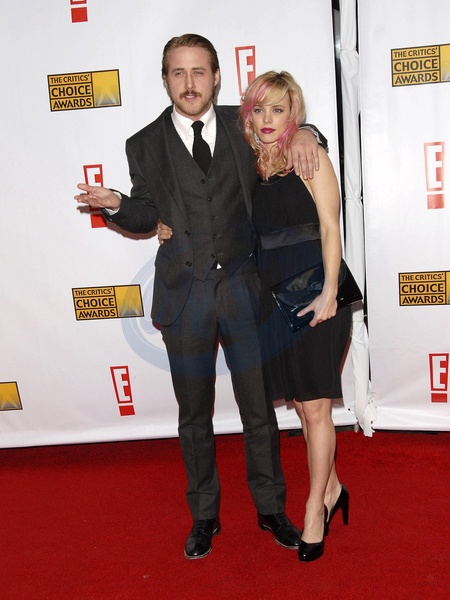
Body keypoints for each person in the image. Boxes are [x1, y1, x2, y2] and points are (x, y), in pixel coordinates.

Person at [75, 34, 326, 561]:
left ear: (216, 77)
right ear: (165, 79)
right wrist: (117, 204)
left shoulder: (243, 123)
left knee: (259, 411)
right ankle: (205, 516)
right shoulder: (143, 144)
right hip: (183, 294)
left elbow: (283, 127)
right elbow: (146, 213)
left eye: (198, 72)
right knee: (194, 416)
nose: (189, 84)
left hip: (244, 289)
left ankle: (270, 508)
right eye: (178, 73)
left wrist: (307, 132)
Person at [240, 71, 351, 562]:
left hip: (314, 292)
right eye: (259, 109)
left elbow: (330, 227)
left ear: (294, 116)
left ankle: (313, 510)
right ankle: (334, 488)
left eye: (279, 110)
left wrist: (329, 292)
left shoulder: (309, 156)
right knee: (305, 409)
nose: (268, 119)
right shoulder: (250, 163)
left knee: (318, 408)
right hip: (273, 299)